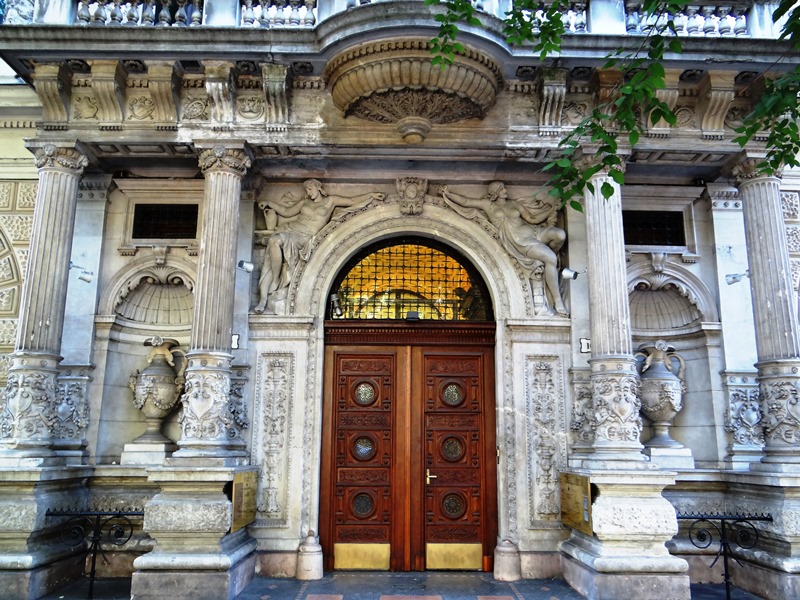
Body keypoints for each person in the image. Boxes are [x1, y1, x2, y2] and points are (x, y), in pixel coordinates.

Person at [254, 179, 384, 313]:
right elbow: (287, 212)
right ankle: (274, 281)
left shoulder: (330, 201)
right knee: (273, 241)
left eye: (310, 189)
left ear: (318, 187)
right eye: (307, 190)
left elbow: (351, 200)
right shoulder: (305, 202)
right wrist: (269, 203)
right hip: (292, 229)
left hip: (306, 236)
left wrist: (371, 196)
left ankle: (273, 281)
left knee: (274, 241)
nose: (308, 193)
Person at [439, 181, 568, 316]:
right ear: (496, 192)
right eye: (502, 189)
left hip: (533, 232)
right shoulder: (488, 205)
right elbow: (466, 201)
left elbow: (533, 219)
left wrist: (552, 209)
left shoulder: (514, 204)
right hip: (520, 241)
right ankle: (558, 300)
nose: (506, 190)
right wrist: (448, 194)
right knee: (550, 258)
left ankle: (550, 269)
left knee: (560, 235)